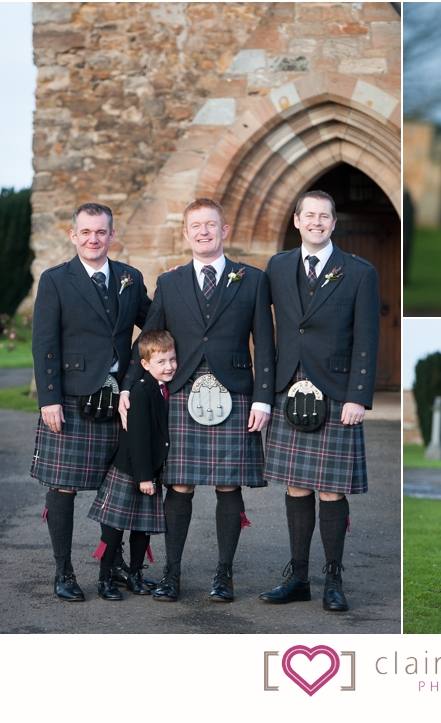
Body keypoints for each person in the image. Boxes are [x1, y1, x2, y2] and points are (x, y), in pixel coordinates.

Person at [120, 198, 274, 602]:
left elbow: (266, 343)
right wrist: (126, 387)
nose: (203, 231)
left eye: (211, 225)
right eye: (196, 226)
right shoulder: (169, 283)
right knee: (180, 485)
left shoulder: (252, 279)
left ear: (224, 231)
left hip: (235, 393)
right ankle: (172, 573)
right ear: (185, 234)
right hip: (182, 391)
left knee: (228, 486)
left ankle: (224, 575)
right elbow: (148, 336)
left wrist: (263, 399)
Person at [258, 190, 379, 613]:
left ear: (333, 223)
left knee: (330, 489)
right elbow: (257, 320)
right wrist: (264, 393)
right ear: (296, 221)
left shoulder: (359, 271)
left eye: (324, 216)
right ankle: (297, 577)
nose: (316, 222)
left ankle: (333, 578)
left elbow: (367, 338)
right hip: (288, 387)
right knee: (295, 484)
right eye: (309, 215)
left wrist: (357, 396)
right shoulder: (276, 266)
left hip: (334, 392)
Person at [31, 202, 151, 601]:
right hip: (70, 397)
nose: (93, 239)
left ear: (111, 235)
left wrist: (175, 289)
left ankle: (112, 563)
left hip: (118, 400)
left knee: (119, 485)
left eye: (100, 232)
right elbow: (44, 342)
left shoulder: (130, 278)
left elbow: (152, 328)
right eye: (85, 232)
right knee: (63, 486)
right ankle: (63, 571)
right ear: (73, 235)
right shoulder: (55, 280)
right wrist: (49, 399)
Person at [87, 329, 175, 599]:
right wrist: (144, 476)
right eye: (161, 362)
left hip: (149, 470)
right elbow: (137, 438)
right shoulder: (140, 390)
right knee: (114, 528)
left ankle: (135, 575)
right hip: (131, 470)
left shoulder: (164, 389)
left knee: (142, 526)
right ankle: (105, 579)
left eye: (172, 360)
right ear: (146, 364)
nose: (169, 366)